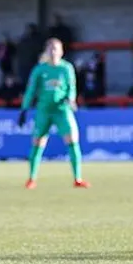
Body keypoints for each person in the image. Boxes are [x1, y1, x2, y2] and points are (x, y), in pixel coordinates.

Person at [18, 38, 89, 189]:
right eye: (50, 49)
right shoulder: (40, 70)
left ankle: (78, 178)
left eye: (56, 49)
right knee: (38, 142)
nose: (53, 52)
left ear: (62, 52)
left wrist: (70, 99)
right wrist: (24, 109)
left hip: (62, 110)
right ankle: (32, 178)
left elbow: (72, 87)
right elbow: (31, 90)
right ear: (46, 51)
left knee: (72, 140)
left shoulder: (66, 68)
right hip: (44, 110)